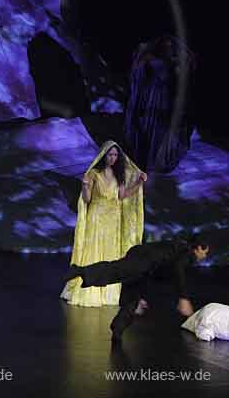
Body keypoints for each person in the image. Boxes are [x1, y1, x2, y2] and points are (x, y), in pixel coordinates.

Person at [64, 236, 210, 342]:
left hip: (144, 259)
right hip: (144, 259)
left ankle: (118, 328)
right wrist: (183, 298)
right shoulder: (187, 253)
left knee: (133, 294)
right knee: (116, 271)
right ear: (198, 248)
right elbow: (177, 271)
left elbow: (162, 272)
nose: (205, 256)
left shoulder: (179, 248)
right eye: (205, 252)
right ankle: (80, 271)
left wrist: (144, 296)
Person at [61, 141, 147, 307]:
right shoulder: (94, 173)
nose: (113, 158)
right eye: (110, 154)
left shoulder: (119, 175)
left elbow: (122, 196)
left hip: (113, 220)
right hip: (97, 217)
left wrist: (138, 183)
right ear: (104, 155)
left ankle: (108, 293)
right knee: (94, 251)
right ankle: (89, 289)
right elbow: (87, 199)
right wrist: (85, 186)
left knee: (110, 255)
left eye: (115, 155)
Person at [124, 34, 197, 174]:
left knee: (159, 132)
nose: (168, 47)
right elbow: (140, 74)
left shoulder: (172, 60)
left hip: (163, 101)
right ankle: (147, 160)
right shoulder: (149, 58)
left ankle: (156, 161)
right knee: (151, 131)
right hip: (152, 99)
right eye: (166, 45)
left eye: (170, 45)